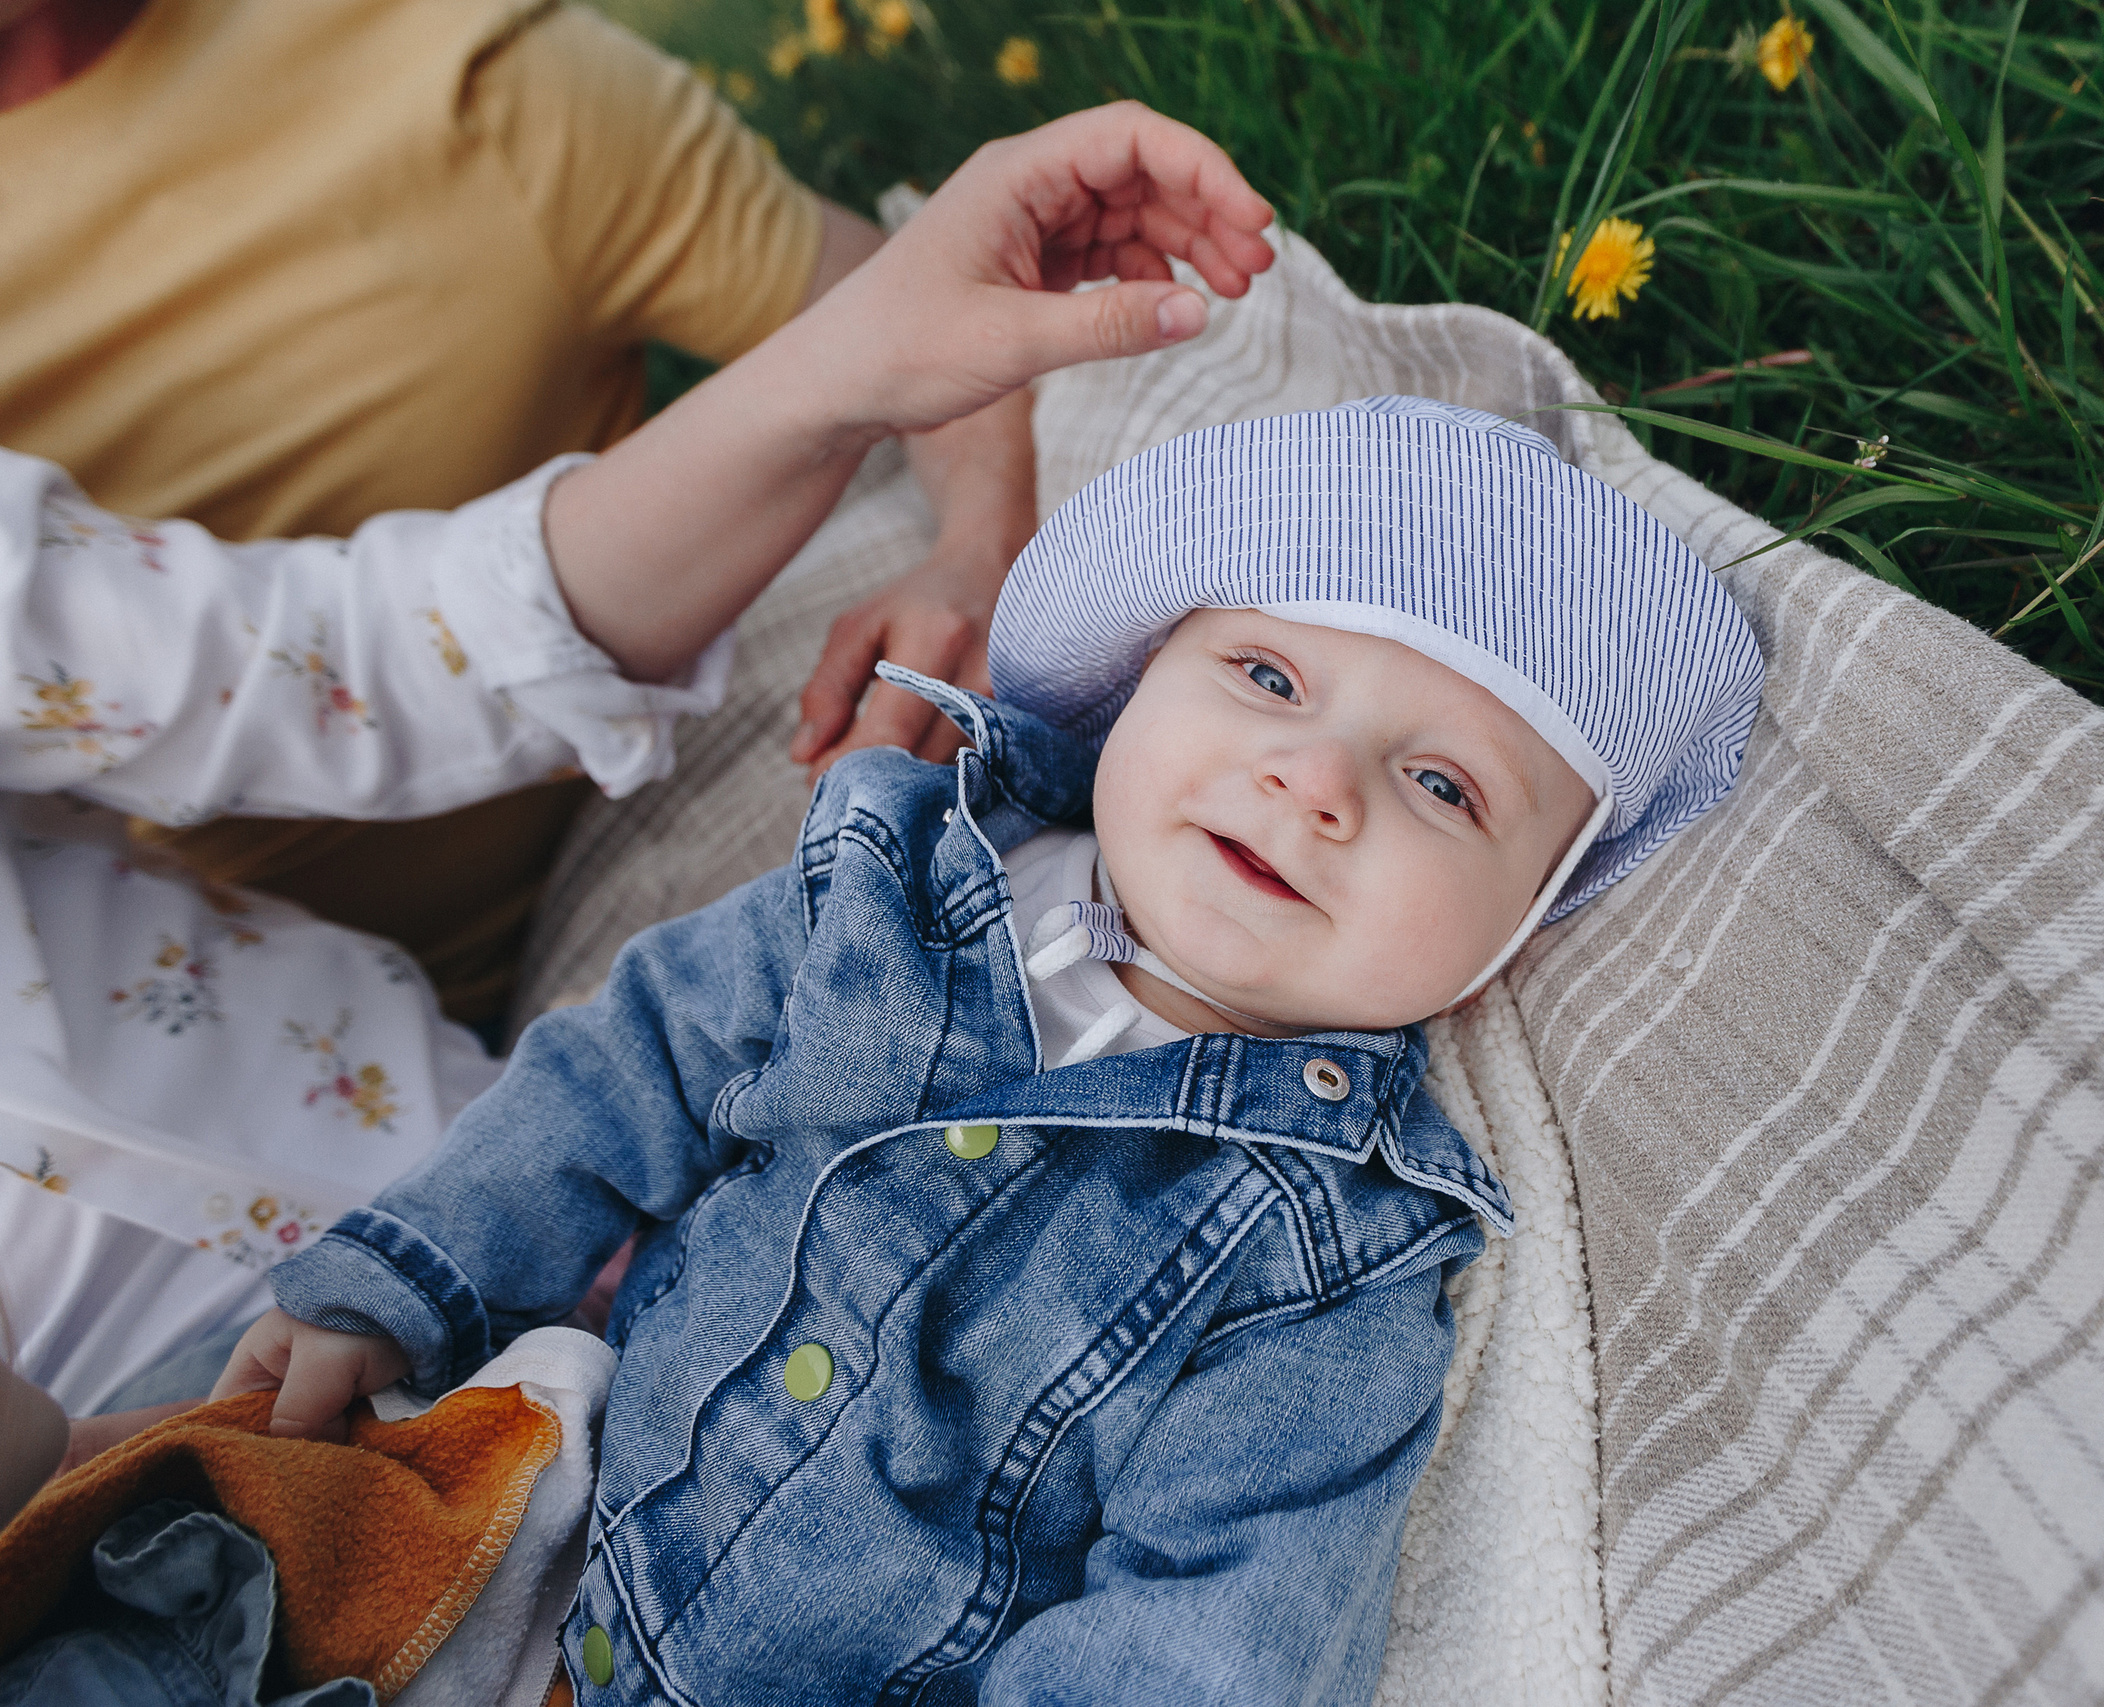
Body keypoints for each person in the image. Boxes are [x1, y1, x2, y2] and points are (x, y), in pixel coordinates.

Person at [218, 397, 1765, 1697]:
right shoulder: (892, 886)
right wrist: (409, 1268)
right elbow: (632, 1061)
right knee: (168, 1562)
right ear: (1140, 675)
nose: (1313, 781)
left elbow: (1211, 1630)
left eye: (1443, 785)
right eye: (1271, 677)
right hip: (506, 1508)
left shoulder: (1330, 1263)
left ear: (1523, 931)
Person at [0, 100, 1276, 1480]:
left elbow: (374, 653)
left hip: (525, 1160)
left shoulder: (483, 85)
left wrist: (850, 364)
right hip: (184, 1533)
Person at [0, 0, 1039, 1026]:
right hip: (220, 1048)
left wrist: (976, 551)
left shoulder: (459, 68)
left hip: (656, 846)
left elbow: (907, 318)